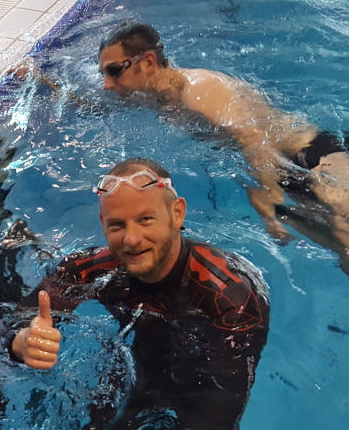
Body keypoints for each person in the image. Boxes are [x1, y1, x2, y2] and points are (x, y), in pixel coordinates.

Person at [10, 158, 269, 430]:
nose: (131, 239)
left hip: (201, 393)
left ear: (177, 214)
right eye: (117, 225)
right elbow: (16, 319)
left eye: (145, 220)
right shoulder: (91, 270)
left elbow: (226, 400)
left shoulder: (229, 294)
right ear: (103, 223)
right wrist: (21, 342)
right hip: (137, 375)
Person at [97, 22, 349, 270]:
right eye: (103, 74)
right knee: (344, 253)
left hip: (313, 156)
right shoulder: (155, 96)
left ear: (149, 62)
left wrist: (266, 191)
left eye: (114, 71)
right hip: (284, 174)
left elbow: (252, 138)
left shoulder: (201, 91)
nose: (106, 84)